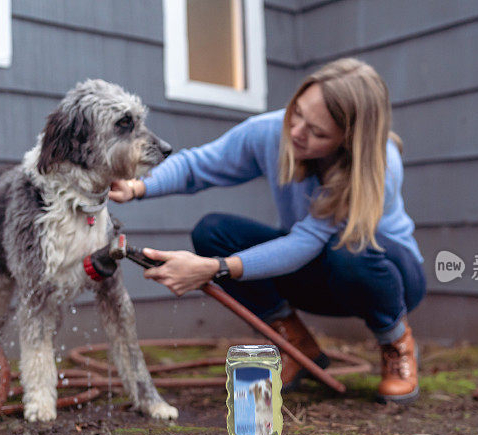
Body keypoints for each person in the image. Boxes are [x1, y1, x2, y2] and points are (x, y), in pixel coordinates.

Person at [110, 58, 426, 405]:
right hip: (319, 268)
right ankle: (294, 343)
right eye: (297, 113)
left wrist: (217, 268)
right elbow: (199, 165)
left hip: (384, 276)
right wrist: (136, 186)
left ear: (348, 140)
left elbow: (306, 242)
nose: (295, 132)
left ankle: (396, 343)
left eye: (317, 132)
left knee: (348, 249)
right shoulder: (271, 131)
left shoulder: (379, 164)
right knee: (214, 232)